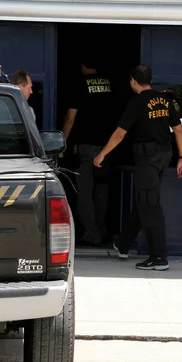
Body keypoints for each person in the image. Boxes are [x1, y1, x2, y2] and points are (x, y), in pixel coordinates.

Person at [93, 65, 182, 271]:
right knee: (145, 200)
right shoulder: (165, 100)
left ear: (133, 81)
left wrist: (102, 154)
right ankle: (123, 244)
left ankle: (159, 257)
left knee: (150, 205)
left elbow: (120, 133)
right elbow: (179, 130)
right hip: (163, 157)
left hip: (148, 159)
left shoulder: (137, 102)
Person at [62, 55, 114, 247]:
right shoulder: (110, 84)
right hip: (107, 148)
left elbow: (70, 118)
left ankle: (92, 233)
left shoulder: (80, 84)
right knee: (102, 190)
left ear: (83, 66)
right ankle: (102, 230)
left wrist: (62, 142)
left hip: (86, 148)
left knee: (84, 192)